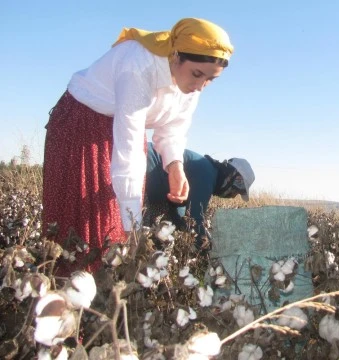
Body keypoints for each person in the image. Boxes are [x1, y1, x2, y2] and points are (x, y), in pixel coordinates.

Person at [42, 18, 234, 272]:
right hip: (82, 126)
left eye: (210, 79)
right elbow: (129, 152)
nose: (200, 86)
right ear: (176, 56)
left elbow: (173, 129)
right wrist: (133, 228)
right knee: (85, 223)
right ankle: (66, 292)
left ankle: (102, 291)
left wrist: (175, 166)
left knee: (110, 219)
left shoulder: (190, 87)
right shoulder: (139, 65)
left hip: (118, 130)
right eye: (197, 74)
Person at [145, 142, 255, 247]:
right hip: (143, 166)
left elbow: (182, 215)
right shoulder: (206, 176)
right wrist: (208, 248)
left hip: (147, 172)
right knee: (137, 234)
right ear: (234, 179)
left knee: (156, 232)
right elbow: (194, 219)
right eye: (236, 191)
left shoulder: (207, 172)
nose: (232, 196)